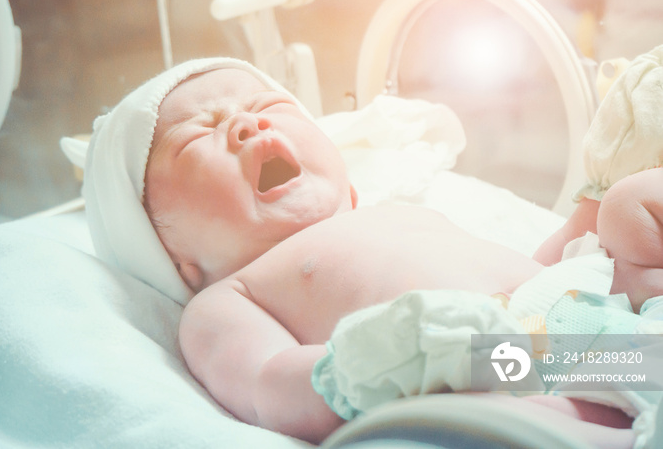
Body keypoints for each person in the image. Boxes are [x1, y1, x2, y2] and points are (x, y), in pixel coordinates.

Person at [75, 48, 663, 448]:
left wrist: (600, 206)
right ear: (175, 258)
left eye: (265, 108)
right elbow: (266, 383)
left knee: (631, 207)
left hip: (588, 333)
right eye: (198, 134)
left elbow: (531, 273)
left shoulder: (401, 212)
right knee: (469, 425)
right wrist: (382, 360)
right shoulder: (226, 299)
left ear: (347, 183)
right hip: (484, 367)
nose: (246, 126)